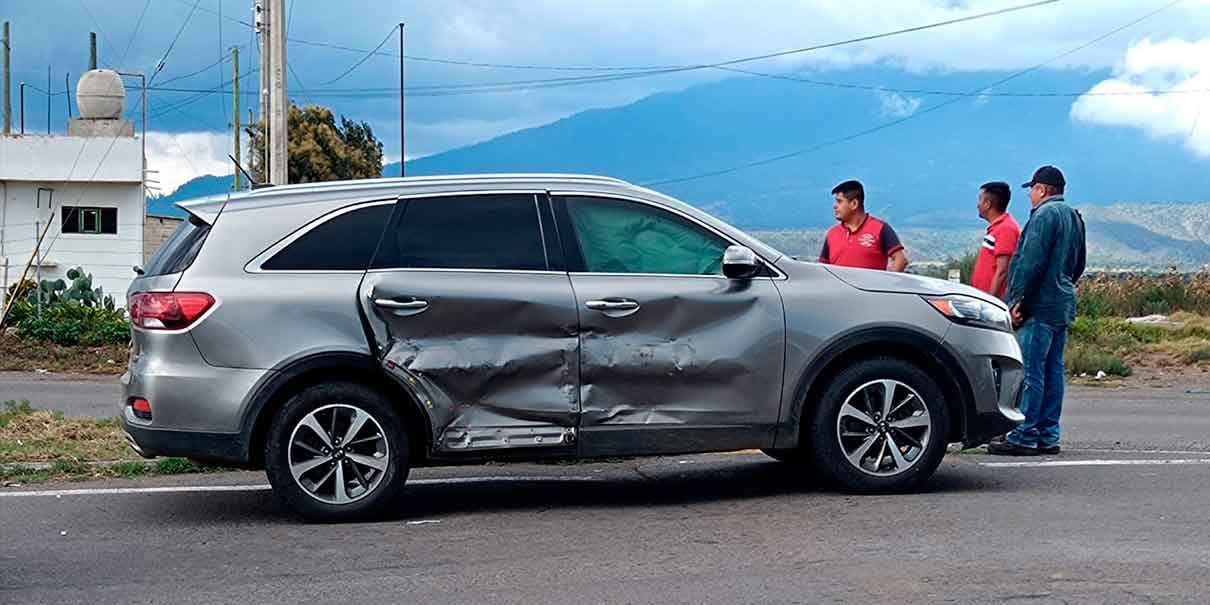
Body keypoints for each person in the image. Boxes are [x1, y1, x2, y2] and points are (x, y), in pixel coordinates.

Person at [988, 165, 1086, 456]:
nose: (1030, 194)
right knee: (1053, 370)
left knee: (1030, 372)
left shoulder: (1043, 216)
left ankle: (1024, 435)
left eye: (1032, 189)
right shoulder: (1074, 217)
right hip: (1062, 303)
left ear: (1042, 190)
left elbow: (1031, 263)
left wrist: (1022, 304)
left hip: (1039, 306)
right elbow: (1079, 263)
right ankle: (1048, 433)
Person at [818, 180, 908, 271]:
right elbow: (822, 268)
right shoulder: (832, 234)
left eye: (839, 201)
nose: (835, 206)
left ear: (854, 204)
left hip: (871, 285)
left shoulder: (880, 228)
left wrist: (888, 284)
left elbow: (900, 259)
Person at [970, 181, 1021, 300]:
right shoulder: (997, 228)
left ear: (988, 204)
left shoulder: (1006, 229)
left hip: (991, 303)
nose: (978, 205)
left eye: (980, 200)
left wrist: (990, 302)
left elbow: (1002, 270)